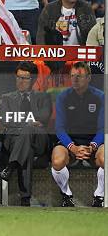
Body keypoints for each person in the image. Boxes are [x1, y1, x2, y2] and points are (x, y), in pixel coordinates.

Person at [51, 61, 105, 207]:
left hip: (95, 142)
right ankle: (66, 195)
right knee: (57, 161)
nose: (75, 79)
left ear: (89, 78)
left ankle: (99, 196)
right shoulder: (63, 97)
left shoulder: (101, 97)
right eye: (72, 76)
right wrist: (72, 147)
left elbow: (103, 128)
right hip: (70, 141)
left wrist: (92, 146)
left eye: (79, 76)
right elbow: (59, 128)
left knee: (105, 158)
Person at [0, 62, 51, 206]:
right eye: (18, 77)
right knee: (26, 146)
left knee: (27, 133)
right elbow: (5, 119)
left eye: (25, 78)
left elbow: (44, 117)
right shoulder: (6, 97)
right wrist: (30, 122)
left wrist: (21, 122)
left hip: (38, 140)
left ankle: (12, 165)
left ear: (33, 79)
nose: (20, 81)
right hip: (13, 140)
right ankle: (25, 198)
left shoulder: (43, 97)